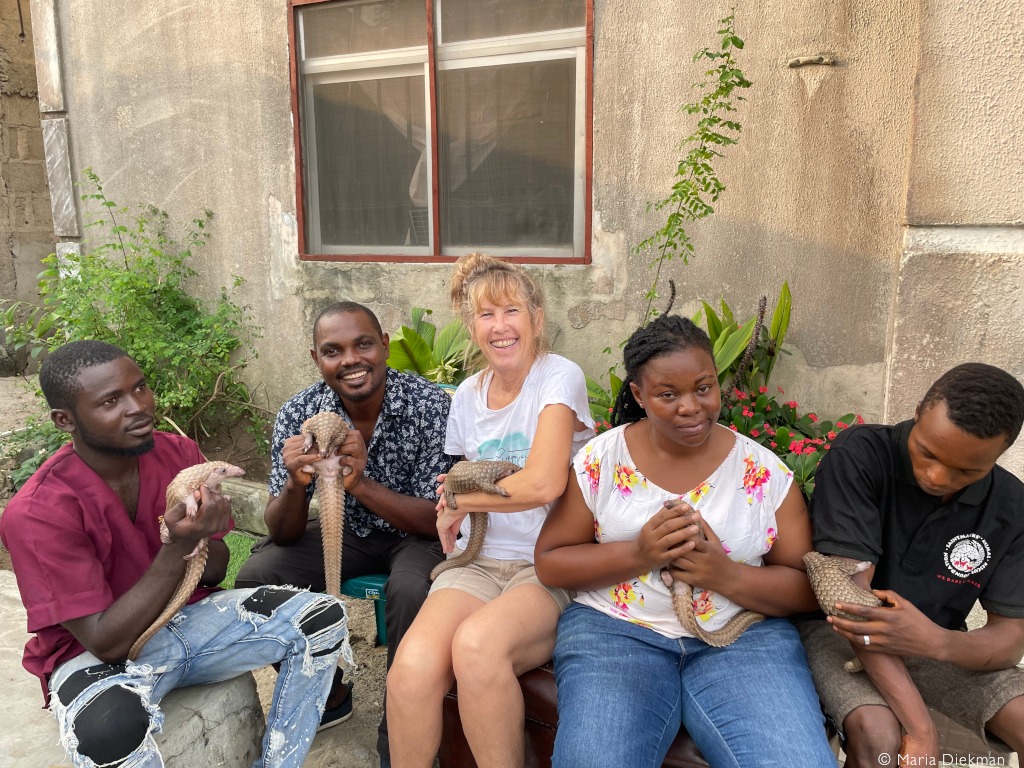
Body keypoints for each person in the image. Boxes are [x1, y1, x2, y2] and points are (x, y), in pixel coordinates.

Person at [0, 340, 349, 768]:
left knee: (321, 617)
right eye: (111, 400)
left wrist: (204, 538)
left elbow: (215, 568)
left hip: (191, 620)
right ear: (64, 420)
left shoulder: (178, 456)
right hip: (93, 657)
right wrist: (179, 544)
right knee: (108, 732)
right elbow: (107, 643)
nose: (138, 407)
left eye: (140, 388)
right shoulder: (38, 511)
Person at [534, 313, 836, 767]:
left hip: (744, 639)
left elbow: (804, 587)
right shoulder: (604, 459)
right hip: (616, 634)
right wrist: (639, 553)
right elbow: (551, 561)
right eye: (668, 394)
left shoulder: (765, 473)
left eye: (704, 387)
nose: (691, 406)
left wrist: (726, 575)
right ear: (638, 394)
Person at [386, 253, 595, 767]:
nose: (500, 327)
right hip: (478, 561)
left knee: (477, 647)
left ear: (536, 319)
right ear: (471, 328)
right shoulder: (467, 396)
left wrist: (458, 501)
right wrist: (450, 499)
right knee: (410, 669)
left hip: (545, 564)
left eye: (512, 311)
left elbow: (544, 482)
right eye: (485, 315)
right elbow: (460, 477)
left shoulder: (557, 376)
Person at [234, 301, 455, 764]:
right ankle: (329, 692)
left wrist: (359, 482)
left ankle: (405, 728)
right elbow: (283, 530)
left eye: (363, 344)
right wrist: (297, 483)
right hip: (349, 530)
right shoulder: (302, 411)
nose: (351, 360)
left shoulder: (432, 405)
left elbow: (436, 518)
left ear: (386, 347)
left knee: (413, 589)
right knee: (257, 578)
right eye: (333, 351)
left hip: (417, 536)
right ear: (317, 360)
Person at [796, 363, 1024, 766]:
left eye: (967, 471)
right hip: (833, 632)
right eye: (927, 453)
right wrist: (922, 729)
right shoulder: (863, 454)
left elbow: (1010, 640)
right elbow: (849, 604)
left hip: (932, 645)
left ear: (999, 457)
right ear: (918, 411)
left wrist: (937, 641)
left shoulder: (1012, 506)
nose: (937, 476)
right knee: (880, 736)